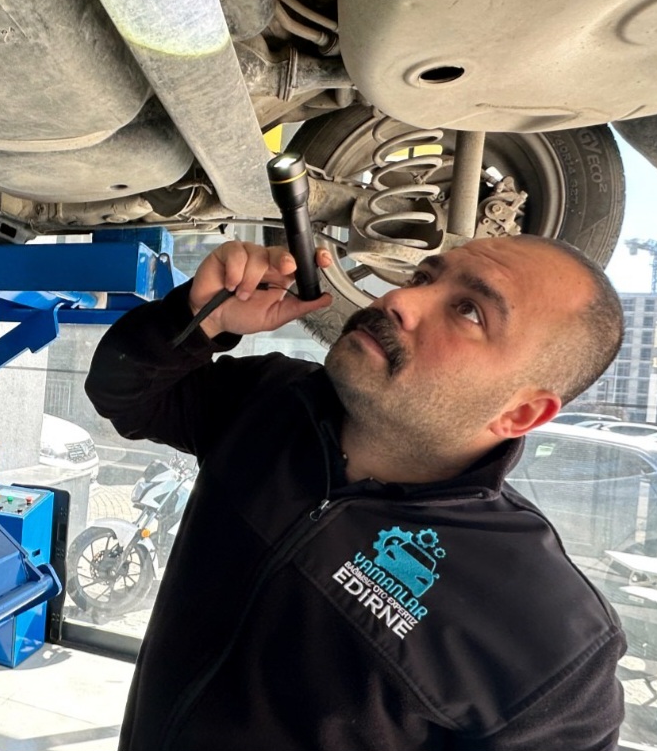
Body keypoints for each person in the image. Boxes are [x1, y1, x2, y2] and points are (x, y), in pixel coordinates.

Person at [85, 236, 628, 750]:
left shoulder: (550, 639)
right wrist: (200, 318)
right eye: (422, 277)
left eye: (469, 311)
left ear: (521, 412)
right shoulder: (274, 402)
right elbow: (126, 395)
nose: (399, 300)